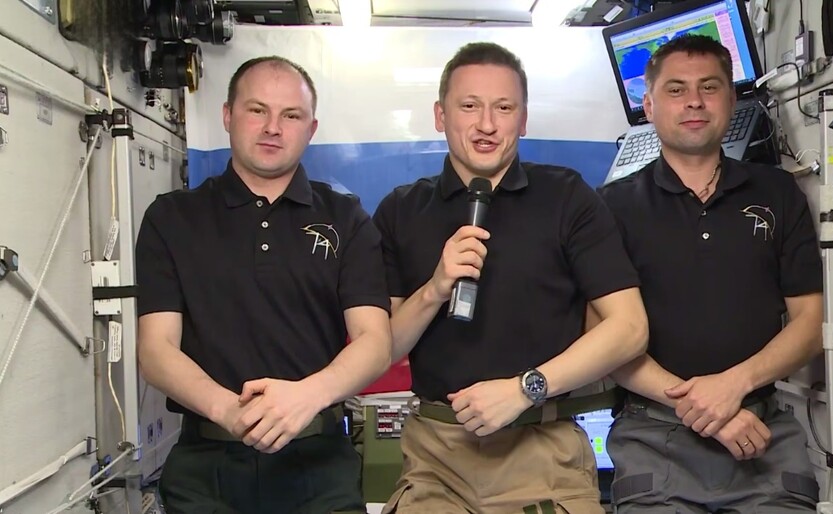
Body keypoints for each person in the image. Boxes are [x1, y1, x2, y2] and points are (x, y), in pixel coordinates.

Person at [372, 41, 649, 514]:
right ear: (440, 115)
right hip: (437, 460)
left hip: (544, 452)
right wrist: (435, 288)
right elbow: (386, 349)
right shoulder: (401, 209)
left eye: (503, 108)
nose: (486, 124)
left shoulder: (567, 197)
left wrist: (525, 388)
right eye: (469, 106)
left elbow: (630, 329)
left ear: (522, 119)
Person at [135, 55, 392, 514]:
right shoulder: (171, 218)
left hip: (320, 470)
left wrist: (306, 397)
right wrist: (227, 410)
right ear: (228, 116)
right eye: (257, 110)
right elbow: (156, 350)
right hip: (205, 472)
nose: (273, 127)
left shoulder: (346, 218)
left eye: (291, 115)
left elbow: (375, 342)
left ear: (311, 129)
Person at [596, 34, 824, 512]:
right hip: (653, 438)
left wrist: (733, 385)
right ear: (649, 106)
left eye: (710, 87)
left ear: (732, 100)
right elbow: (603, 340)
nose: (694, 101)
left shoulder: (779, 192)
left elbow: (809, 326)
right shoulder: (610, 208)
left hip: (761, 432)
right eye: (676, 89)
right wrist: (707, 409)